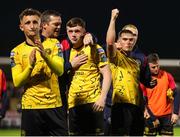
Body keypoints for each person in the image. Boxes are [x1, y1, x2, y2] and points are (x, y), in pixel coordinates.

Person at [10, 8, 67, 136]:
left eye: (35, 22)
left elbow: (60, 71)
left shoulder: (54, 44)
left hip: (54, 105)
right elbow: (17, 82)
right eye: (28, 23)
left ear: (40, 25)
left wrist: (45, 56)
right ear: (21, 27)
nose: (32, 26)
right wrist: (30, 66)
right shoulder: (16, 51)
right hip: (31, 107)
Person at [40, 10, 96, 115]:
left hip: (60, 96)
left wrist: (90, 35)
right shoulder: (37, 45)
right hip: (41, 97)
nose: (59, 27)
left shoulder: (63, 41)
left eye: (60, 24)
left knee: (62, 130)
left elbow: (79, 35)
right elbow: (48, 71)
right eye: (56, 24)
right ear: (44, 25)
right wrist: (70, 65)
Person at [65, 17, 111, 135]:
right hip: (73, 104)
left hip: (93, 103)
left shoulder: (95, 48)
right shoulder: (66, 51)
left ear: (84, 32)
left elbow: (107, 74)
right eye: (70, 31)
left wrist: (102, 98)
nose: (73, 35)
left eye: (77, 31)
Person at [106, 8, 146, 136]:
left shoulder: (139, 59)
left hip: (137, 106)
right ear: (119, 40)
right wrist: (113, 19)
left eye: (131, 39)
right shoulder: (115, 56)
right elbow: (109, 42)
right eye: (124, 39)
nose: (128, 42)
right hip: (119, 104)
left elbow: (141, 83)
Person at [140, 53, 180, 136]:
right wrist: (153, 118)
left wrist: (175, 113)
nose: (156, 69)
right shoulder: (143, 80)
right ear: (147, 66)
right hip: (150, 117)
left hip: (166, 117)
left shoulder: (167, 76)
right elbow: (143, 101)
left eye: (158, 66)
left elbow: (176, 93)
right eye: (153, 67)